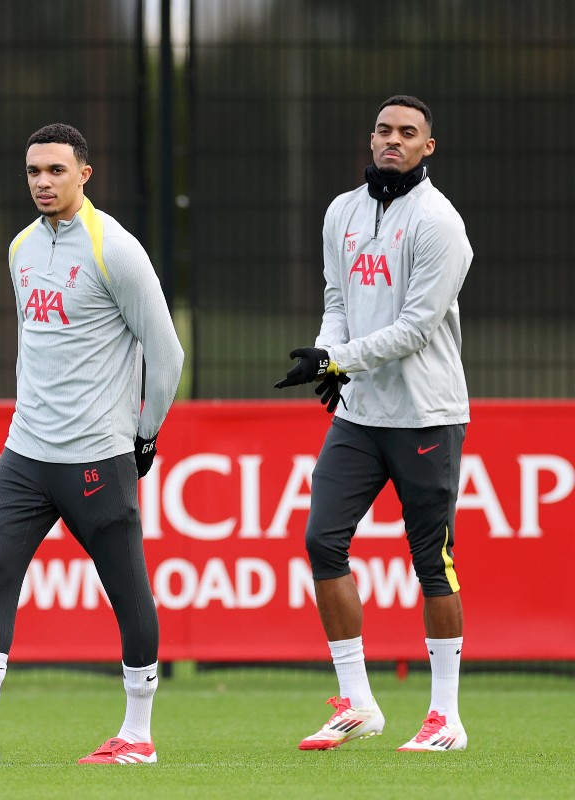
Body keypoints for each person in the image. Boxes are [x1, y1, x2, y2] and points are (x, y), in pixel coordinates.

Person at [0, 123, 184, 765]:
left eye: (56, 170)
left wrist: (145, 433)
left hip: (97, 455)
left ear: (84, 174)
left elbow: (166, 353)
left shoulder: (116, 249)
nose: (42, 181)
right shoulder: (20, 249)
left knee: (127, 591)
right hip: (25, 453)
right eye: (34, 170)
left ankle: (138, 737)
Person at [274, 96, 473, 752]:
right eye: (385, 130)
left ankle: (445, 716)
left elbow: (417, 328)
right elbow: (337, 299)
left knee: (431, 563)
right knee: (321, 541)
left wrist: (338, 358)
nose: (393, 140)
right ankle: (357, 702)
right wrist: (331, 357)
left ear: (428, 147)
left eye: (408, 132)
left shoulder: (440, 223)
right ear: (373, 138)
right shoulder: (343, 210)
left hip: (425, 413)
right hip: (360, 416)